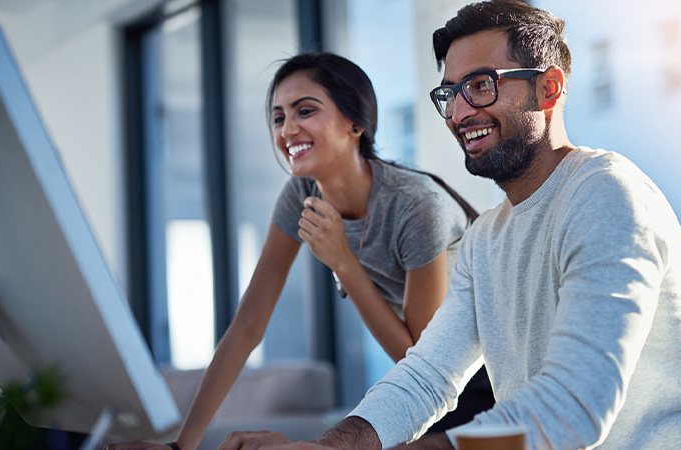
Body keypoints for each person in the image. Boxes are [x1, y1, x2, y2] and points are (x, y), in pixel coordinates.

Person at [217, 1, 681, 449]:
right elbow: (425, 377)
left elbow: (572, 408)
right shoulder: (486, 237)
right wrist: (327, 445)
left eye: (481, 86)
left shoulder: (605, 194)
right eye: (450, 94)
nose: (460, 111)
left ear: (549, 89)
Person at [105, 53, 495, 450]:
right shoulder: (300, 194)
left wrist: (342, 261)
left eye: (305, 111)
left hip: (486, 379)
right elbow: (248, 326)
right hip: (424, 392)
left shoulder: (416, 204)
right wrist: (180, 446)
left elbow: (421, 362)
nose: (288, 129)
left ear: (355, 123)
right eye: (278, 117)